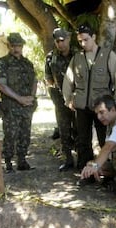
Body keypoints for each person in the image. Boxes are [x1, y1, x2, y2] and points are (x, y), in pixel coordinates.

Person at [62, 23, 116, 171]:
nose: (83, 43)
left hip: (102, 108)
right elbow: (68, 80)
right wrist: (68, 99)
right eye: (80, 41)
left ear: (94, 37)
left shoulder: (108, 55)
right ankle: (85, 171)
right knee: (83, 140)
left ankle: (106, 170)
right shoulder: (77, 58)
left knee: (105, 140)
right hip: (82, 106)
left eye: (86, 39)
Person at [0, 32, 38, 173]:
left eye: (19, 45)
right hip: (11, 107)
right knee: (10, 135)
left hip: (26, 106)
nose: (16, 48)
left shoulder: (27, 63)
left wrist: (31, 97)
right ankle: (8, 163)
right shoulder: (3, 63)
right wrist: (19, 99)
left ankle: (22, 160)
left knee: (25, 134)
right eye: (13, 45)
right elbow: (1, 85)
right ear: (8, 46)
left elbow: (34, 81)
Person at [45, 28, 78, 171]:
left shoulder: (78, 55)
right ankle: (68, 160)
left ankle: (83, 160)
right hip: (60, 101)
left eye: (62, 40)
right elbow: (48, 79)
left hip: (78, 100)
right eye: (57, 41)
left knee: (80, 130)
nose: (60, 44)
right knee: (64, 131)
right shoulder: (51, 57)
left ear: (68, 39)